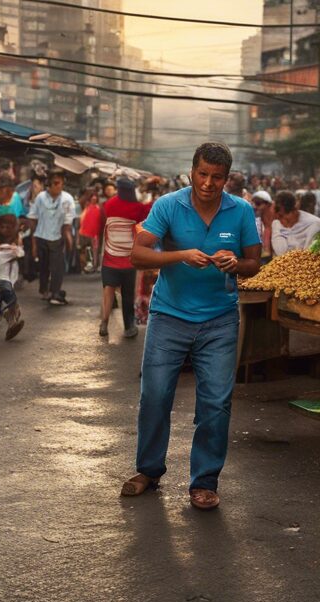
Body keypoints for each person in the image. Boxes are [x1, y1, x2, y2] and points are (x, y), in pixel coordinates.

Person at [120, 142, 260, 511]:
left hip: (219, 319)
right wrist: (181, 255)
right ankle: (149, 470)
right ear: (192, 171)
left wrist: (235, 264)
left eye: (217, 177)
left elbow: (254, 263)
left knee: (215, 403)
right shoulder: (169, 205)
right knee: (155, 396)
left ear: (226, 179)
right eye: (202, 174)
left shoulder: (241, 211)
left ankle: (204, 481)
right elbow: (138, 254)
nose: (208, 183)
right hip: (169, 316)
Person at [96, 177, 152, 338]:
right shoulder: (137, 207)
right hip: (128, 260)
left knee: (108, 290)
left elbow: (102, 229)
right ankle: (128, 327)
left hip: (109, 258)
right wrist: (152, 196)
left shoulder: (108, 204)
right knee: (127, 295)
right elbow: (148, 215)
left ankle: (104, 323)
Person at [25, 171, 77, 306]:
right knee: (43, 266)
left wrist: (69, 239)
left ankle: (55, 292)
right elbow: (32, 217)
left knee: (57, 267)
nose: (57, 186)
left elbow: (68, 221)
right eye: (54, 183)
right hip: (41, 236)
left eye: (60, 183)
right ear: (49, 184)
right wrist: (33, 239)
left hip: (57, 237)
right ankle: (44, 290)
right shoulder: (41, 198)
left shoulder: (67, 199)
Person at [272, 190, 320, 255]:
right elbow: (280, 252)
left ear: (295, 210)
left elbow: (309, 255)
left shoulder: (314, 224)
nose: (281, 221)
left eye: (282, 216)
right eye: (278, 217)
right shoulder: (276, 223)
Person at [77, 189, 101, 274]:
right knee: (85, 249)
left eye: (95, 196)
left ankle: (95, 265)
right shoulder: (85, 206)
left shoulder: (99, 207)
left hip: (95, 232)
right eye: (92, 196)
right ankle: (87, 265)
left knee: (95, 249)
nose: (94, 198)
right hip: (85, 231)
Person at [249, 190, 275, 257]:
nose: (254, 206)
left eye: (258, 203)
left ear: (268, 204)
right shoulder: (257, 218)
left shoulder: (277, 217)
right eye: (253, 203)